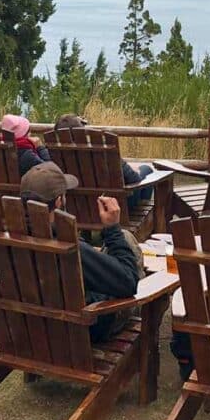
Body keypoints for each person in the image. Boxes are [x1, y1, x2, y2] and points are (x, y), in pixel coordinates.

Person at [20, 162, 143, 342]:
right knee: (126, 238)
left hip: (32, 330)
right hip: (84, 331)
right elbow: (128, 282)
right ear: (59, 201)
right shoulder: (66, 246)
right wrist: (112, 228)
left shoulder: (7, 238)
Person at [54, 113, 155, 208]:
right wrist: (137, 172)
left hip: (79, 209)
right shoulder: (103, 151)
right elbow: (134, 179)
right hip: (115, 208)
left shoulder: (55, 154)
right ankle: (142, 216)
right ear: (82, 131)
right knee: (146, 170)